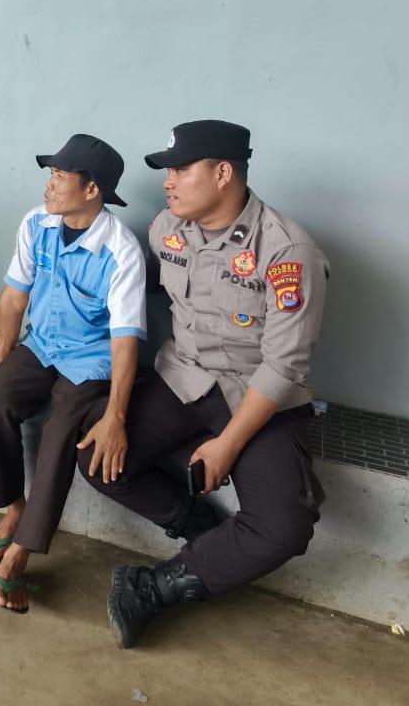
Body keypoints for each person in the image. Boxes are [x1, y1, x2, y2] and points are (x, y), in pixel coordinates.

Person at [76, 119, 329, 647]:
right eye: (167, 171)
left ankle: (152, 588)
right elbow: (134, 288)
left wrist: (227, 445)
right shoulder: (166, 228)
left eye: (180, 169)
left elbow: (284, 366)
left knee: (283, 527)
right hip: (183, 376)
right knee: (99, 456)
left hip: (256, 395)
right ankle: (200, 526)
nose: (167, 181)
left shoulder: (287, 251)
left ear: (222, 173)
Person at [0, 135, 147, 613]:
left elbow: (125, 340)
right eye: (50, 175)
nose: (49, 186)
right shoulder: (37, 223)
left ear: (92, 190)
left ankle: (21, 553)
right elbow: (14, 298)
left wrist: (116, 416)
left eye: (60, 177)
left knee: (61, 430)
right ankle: (15, 510)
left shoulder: (121, 251)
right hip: (42, 344)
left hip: (92, 358)